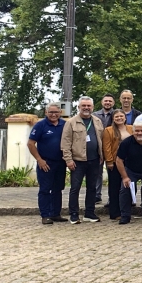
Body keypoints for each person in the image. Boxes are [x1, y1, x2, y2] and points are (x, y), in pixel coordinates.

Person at [60, 96, 104, 224]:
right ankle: (74, 214)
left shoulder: (97, 121)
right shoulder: (71, 122)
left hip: (94, 160)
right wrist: (68, 160)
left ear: (92, 107)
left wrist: (102, 156)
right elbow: (65, 143)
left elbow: (101, 139)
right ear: (78, 107)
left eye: (88, 106)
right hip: (77, 161)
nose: (86, 108)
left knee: (92, 188)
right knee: (75, 188)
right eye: (83, 106)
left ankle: (89, 213)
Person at [27, 103, 66, 224]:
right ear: (46, 112)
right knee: (45, 189)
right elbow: (30, 143)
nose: (54, 115)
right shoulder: (40, 125)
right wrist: (39, 159)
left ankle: (55, 214)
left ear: (60, 113)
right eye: (51, 112)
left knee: (58, 188)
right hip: (45, 163)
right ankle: (45, 215)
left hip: (61, 162)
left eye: (56, 112)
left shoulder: (64, 124)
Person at [101, 109, 133, 219]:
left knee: (127, 186)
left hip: (129, 162)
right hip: (114, 163)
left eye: (121, 116)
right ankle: (115, 212)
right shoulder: (108, 130)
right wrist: (109, 161)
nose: (119, 118)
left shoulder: (131, 128)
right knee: (114, 188)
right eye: (117, 117)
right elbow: (107, 147)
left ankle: (126, 210)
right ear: (113, 119)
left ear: (125, 117)